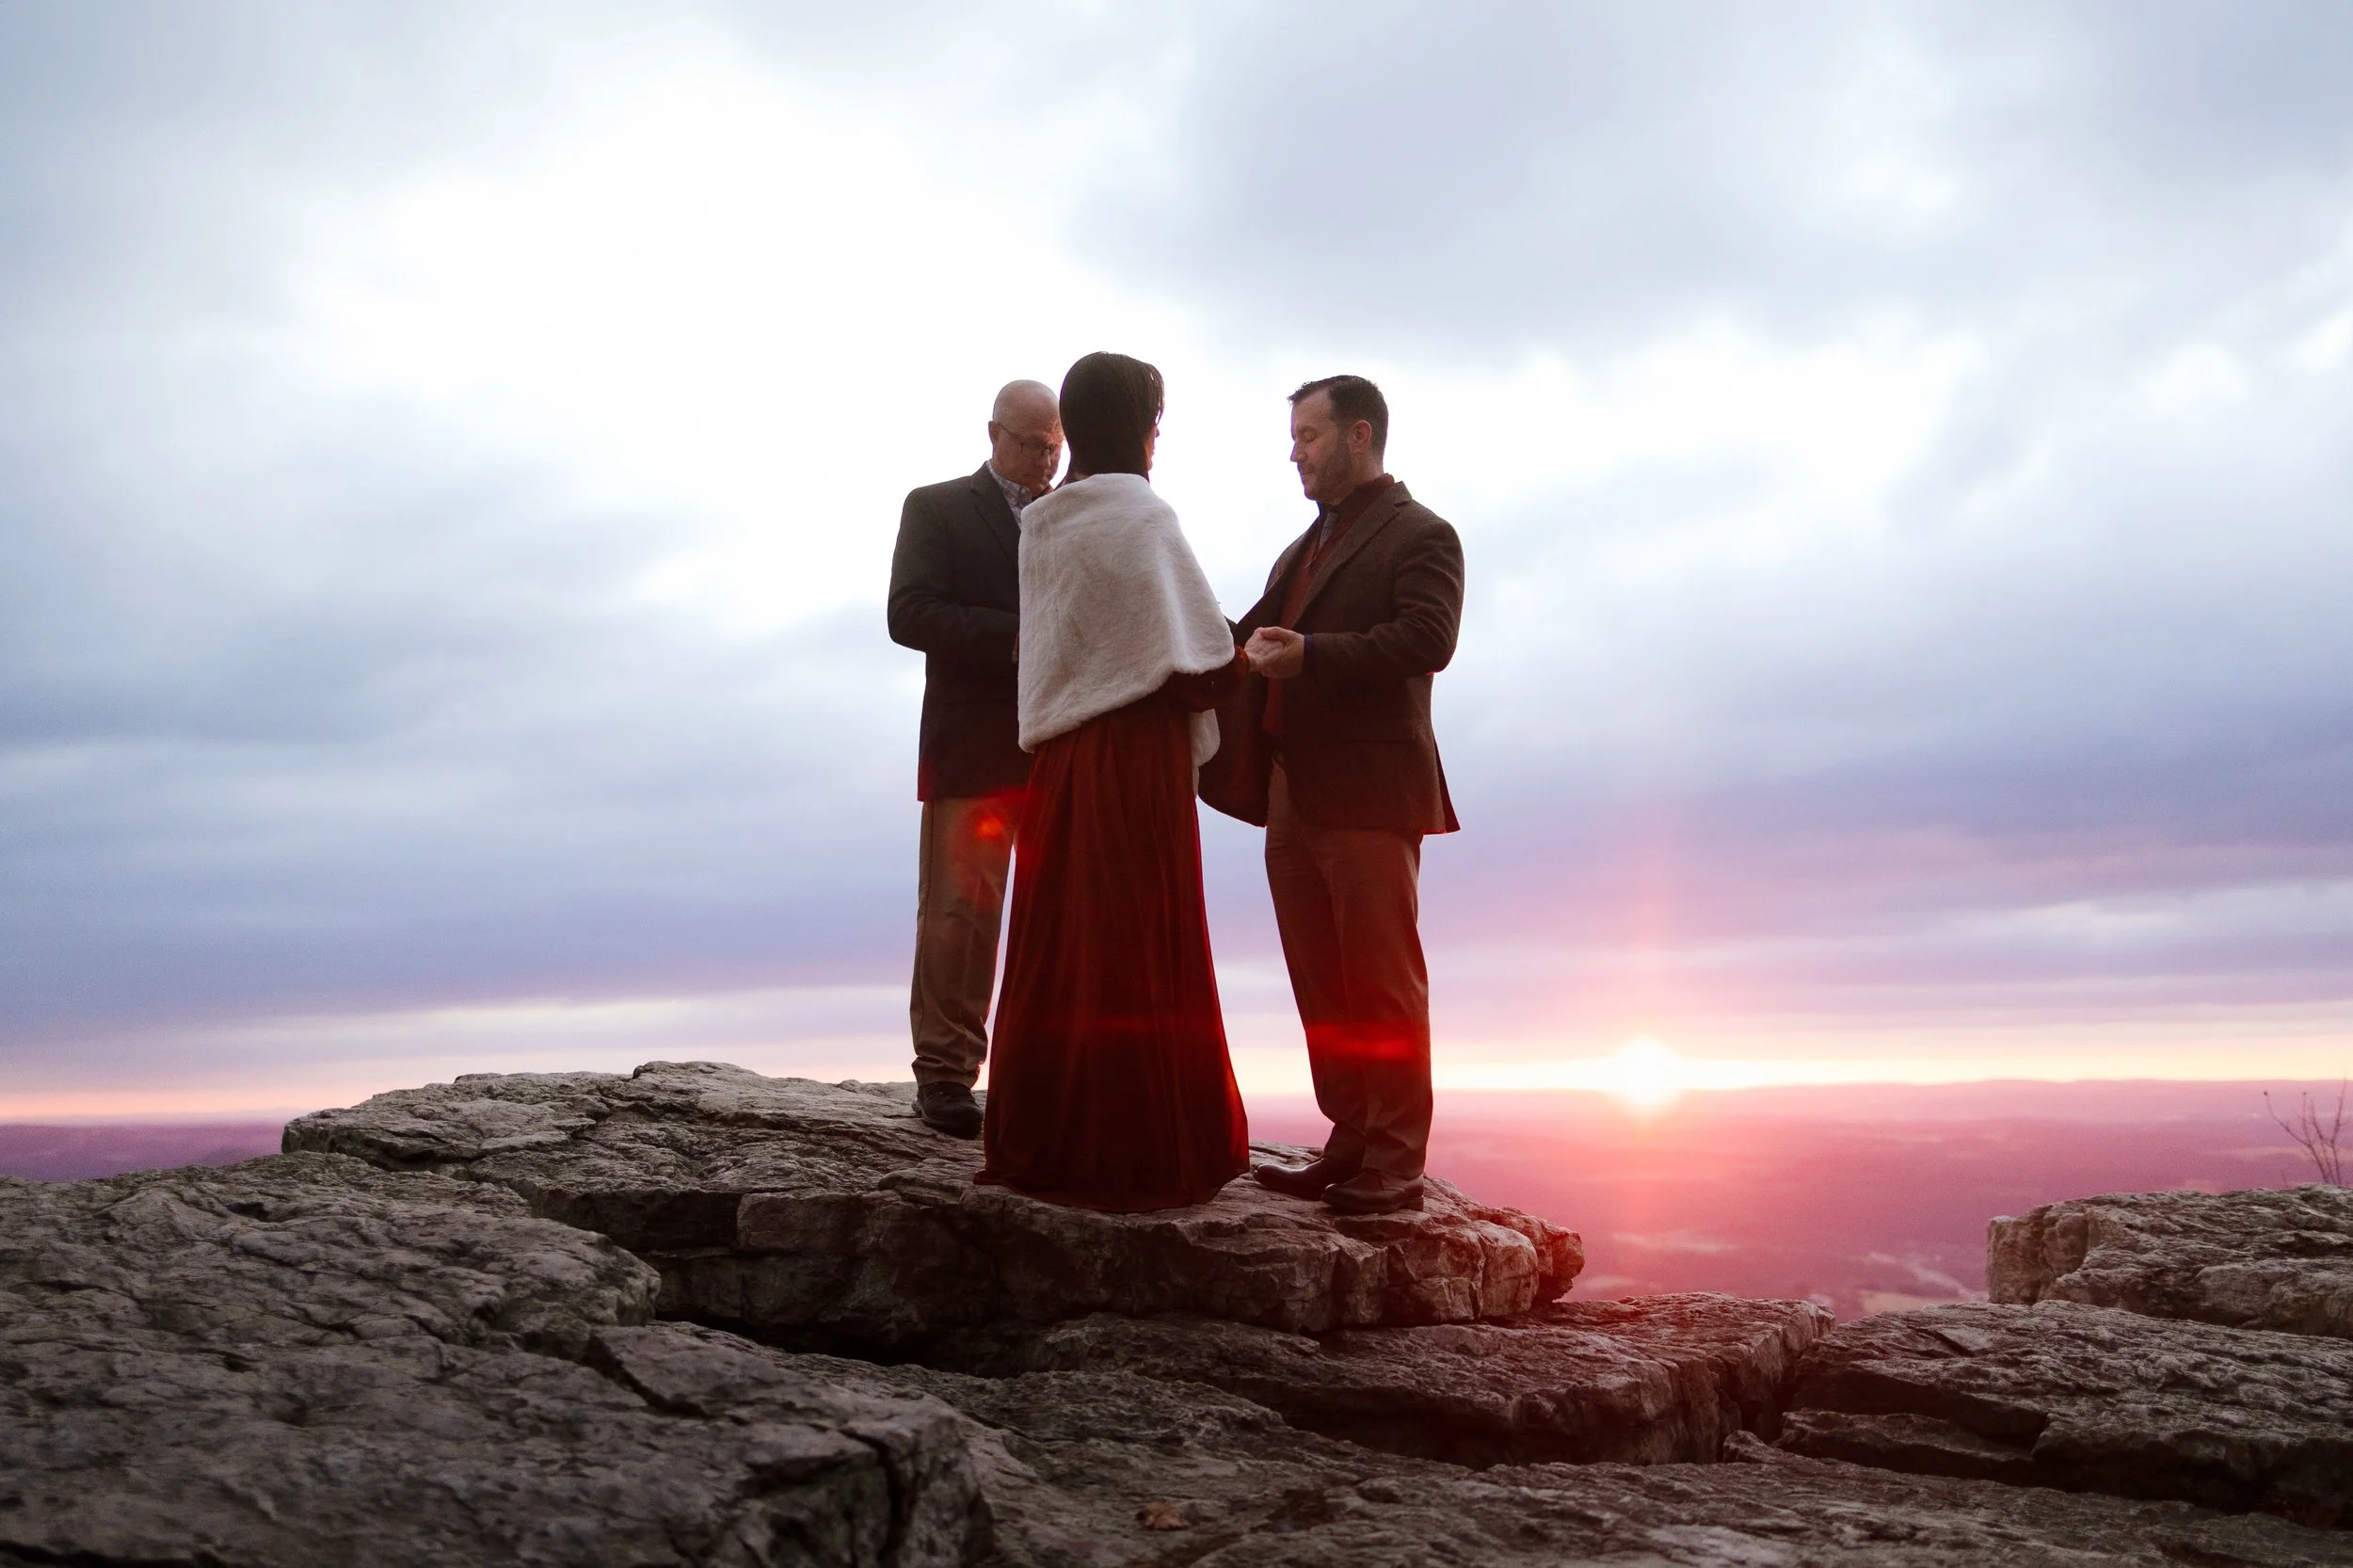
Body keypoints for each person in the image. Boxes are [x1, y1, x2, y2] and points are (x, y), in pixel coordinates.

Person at [976, 350, 1252, 1210]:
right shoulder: (1142, 516)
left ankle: (1048, 1141)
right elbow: (1194, 661)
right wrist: (1248, 654)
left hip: (1060, 763)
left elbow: (1085, 640)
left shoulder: (1044, 523)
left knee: (1064, 945)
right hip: (1133, 764)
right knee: (1138, 941)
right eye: (1155, 424)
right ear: (1138, 428)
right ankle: (1141, 1151)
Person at [1199, 375, 1464, 1214]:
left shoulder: (1423, 533)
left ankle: (1396, 1165)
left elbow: (1428, 639)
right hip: (1290, 789)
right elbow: (1239, 637)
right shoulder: (1302, 548)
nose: (1294, 452)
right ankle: (1349, 1139)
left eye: (1308, 436)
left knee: (1381, 982)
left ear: (1359, 435)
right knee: (1320, 980)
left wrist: (1310, 654)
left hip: (1368, 792)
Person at [887, 380, 1063, 1137]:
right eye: (1029, 444)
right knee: (960, 916)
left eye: (1054, 447)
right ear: (994, 432)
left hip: (1059, 743)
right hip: (971, 748)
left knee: (1057, 919)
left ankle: (1041, 1079)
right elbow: (909, 612)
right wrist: (1012, 636)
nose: (1042, 460)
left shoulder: (1071, 512)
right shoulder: (936, 506)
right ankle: (947, 1078)